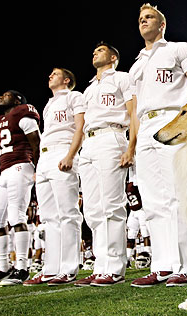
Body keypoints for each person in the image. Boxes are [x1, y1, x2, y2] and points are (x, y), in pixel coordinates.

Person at [129, 3, 187, 288]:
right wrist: (132, 142)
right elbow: (135, 107)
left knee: (176, 196)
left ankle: (183, 266)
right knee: (152, 202)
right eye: (140, 19)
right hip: (146, 126)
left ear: (161, 24)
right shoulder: (136, 63)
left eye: (149, 17)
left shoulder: (178, 48)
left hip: (173, 120)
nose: (143, 21)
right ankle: (161, 266)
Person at [74, 42, 136, 287]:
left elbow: (133, 113)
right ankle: (101, 265)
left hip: (112, 136)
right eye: (93, 51)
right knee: (92, 209)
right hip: (89, 143)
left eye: (100, 51)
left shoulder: (122, 78)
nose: (94, 53)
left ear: (113, 57)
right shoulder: (89, 89)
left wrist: (130, 147)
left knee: (111, 205)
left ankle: (115, 267)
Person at [24, 68, 85, 286]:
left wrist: (71, 154)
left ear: (67, 79)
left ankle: (68, 268)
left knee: (67, 213)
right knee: (49, 217)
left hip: (63, 152)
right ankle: (51, 269)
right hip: (46, 158)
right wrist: (38, 165)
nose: (50, 76)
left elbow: (80, 127)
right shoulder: (48, 104)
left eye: (55, 74)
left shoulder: (75, 96)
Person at [0, 90, 40, 286]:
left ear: (18, 99)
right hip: (5, 170)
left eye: (6, 94)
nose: (0, 96)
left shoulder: (22, 112)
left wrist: (38, 167)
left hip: (21, 165)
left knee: (16, 217)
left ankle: (22, 267)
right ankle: (2, 267)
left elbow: (36, 141)